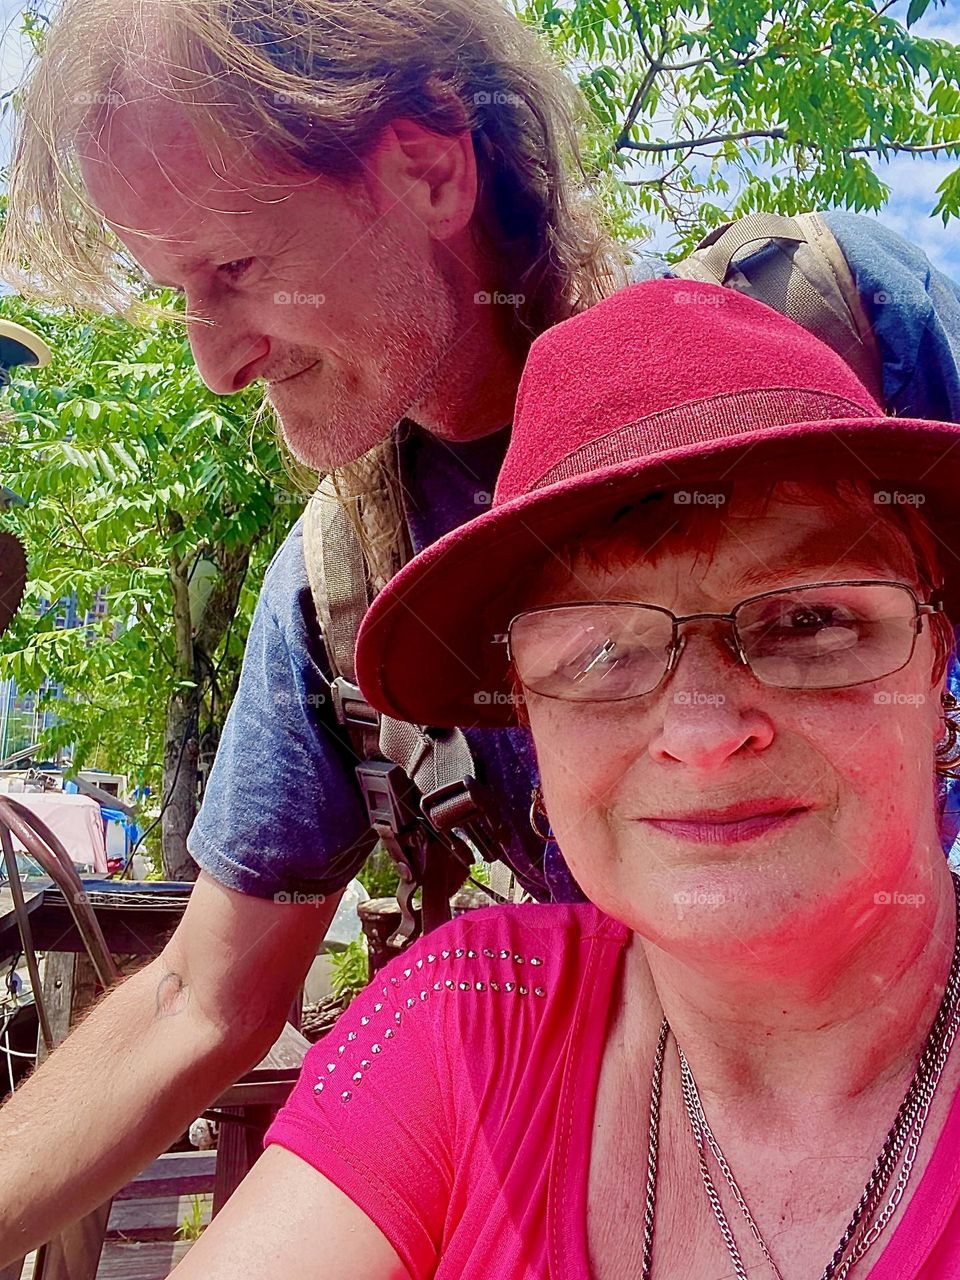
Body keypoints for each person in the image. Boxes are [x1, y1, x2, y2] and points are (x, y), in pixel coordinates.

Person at [1, 0, 960, 1260]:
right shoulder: (343, 585)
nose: (214, 361)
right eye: (597, 652)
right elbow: (199, 994)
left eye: (231, 271)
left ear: (429, 167)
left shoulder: (848, 342)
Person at [169, 278, 960, 1279]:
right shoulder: (464, 1022)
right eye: (600, 654)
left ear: (936, 662)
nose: (703, 731)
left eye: (808, 622)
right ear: (530, 723)